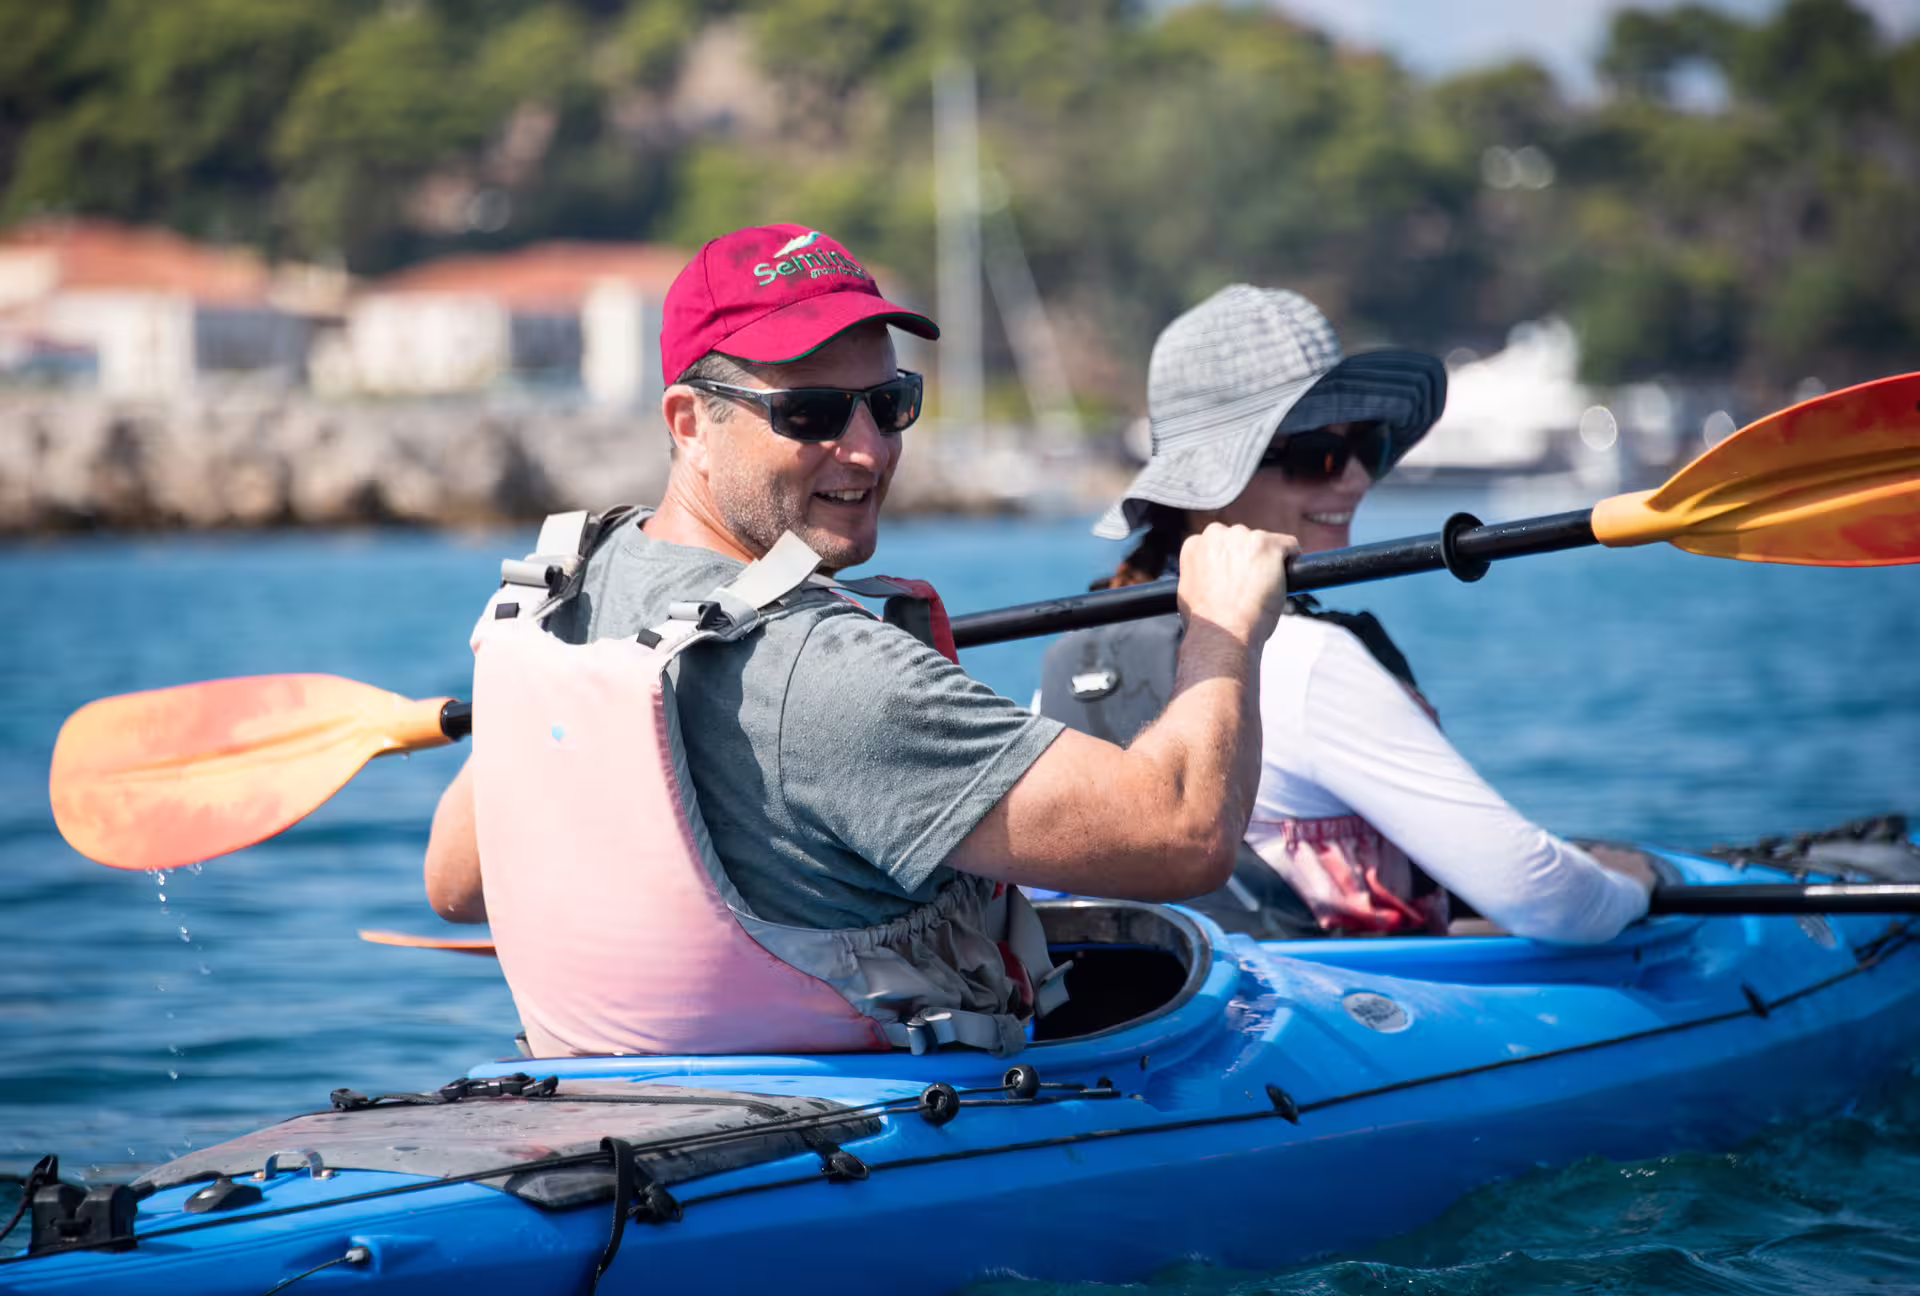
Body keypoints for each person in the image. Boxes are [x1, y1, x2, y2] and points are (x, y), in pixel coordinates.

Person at [422, 225, 1299, 1058]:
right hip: (870, 1138)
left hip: (615, 1099)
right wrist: (1224, 626)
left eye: (890, 403)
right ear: (689, 422)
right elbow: (1184, 834)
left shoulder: (558, 599)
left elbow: (458, 883)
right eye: (810, 413)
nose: (869, 450)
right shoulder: (836, 673)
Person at [1039, 285, 1650, 944]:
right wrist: (1632, 881)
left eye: (1371, 447)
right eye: (1319, 457)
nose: (1356, 480)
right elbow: (1551, 902)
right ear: (1207, 484)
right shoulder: (1306, 662)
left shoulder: (1071, 658)